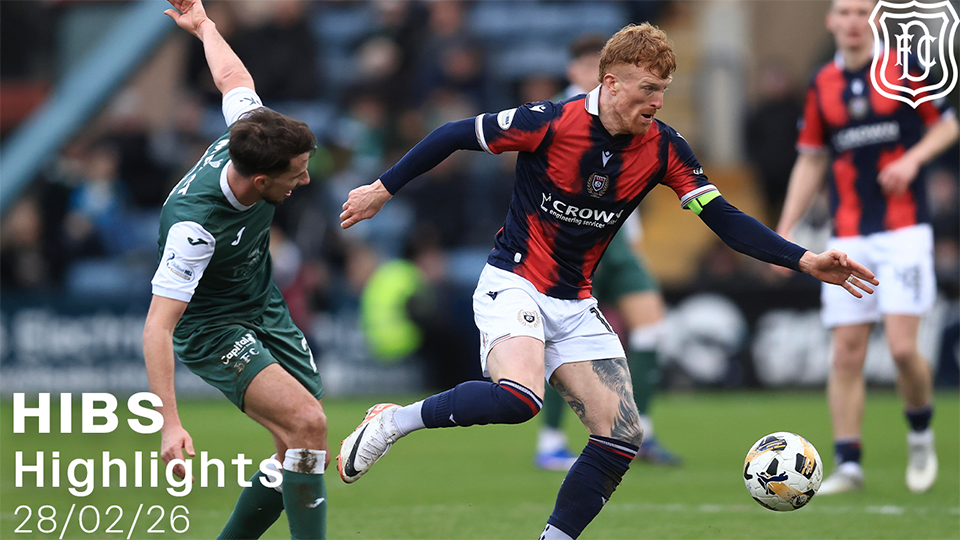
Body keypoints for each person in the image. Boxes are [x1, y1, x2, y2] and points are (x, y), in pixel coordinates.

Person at [339, 23, 877, 540]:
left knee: (621, 437)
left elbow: (724, 219)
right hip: (515, 281)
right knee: (519, 400)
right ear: (611, 83)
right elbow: (455, 133)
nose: (658, 102)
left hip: (574, 300)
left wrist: (804, 260)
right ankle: (393, 422)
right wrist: (384, 188)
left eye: (664, 90)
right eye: (648, 89)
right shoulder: (549, 121)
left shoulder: (666, 148)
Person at [143, 1, 328, 538]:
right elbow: (159, 326)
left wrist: (204, 26)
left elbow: (232, 76)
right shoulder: (194, 230)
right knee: (309, 425)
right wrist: (169, 424)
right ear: (260, 182)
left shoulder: (251, 133)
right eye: (297, 173)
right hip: (213, 327)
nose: (307, 180)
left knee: (296, 441)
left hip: (261, 303)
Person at [776, 0, 959, 495]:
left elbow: (948, 123)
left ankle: (920, 431)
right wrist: (785, 227)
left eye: (862, 11)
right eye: (844, 12)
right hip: (849, 235)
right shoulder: (822, 85)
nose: (853, 21)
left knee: (902, 349)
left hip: (904, 232)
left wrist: (913, 159)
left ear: (874, 20)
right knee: (846, 352)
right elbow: (811, 160)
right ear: (831, 21)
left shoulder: (902, 69)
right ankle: (848, 462)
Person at [534, 34, 680, 471]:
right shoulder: (557, 117)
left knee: (653, 328)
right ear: (577, 72)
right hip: (575, 244)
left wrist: (633, 240)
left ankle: (645, 432)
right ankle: (551, 440)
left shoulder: (635, 118)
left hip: (619, 243)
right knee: (559, 341)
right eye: (586, 66)